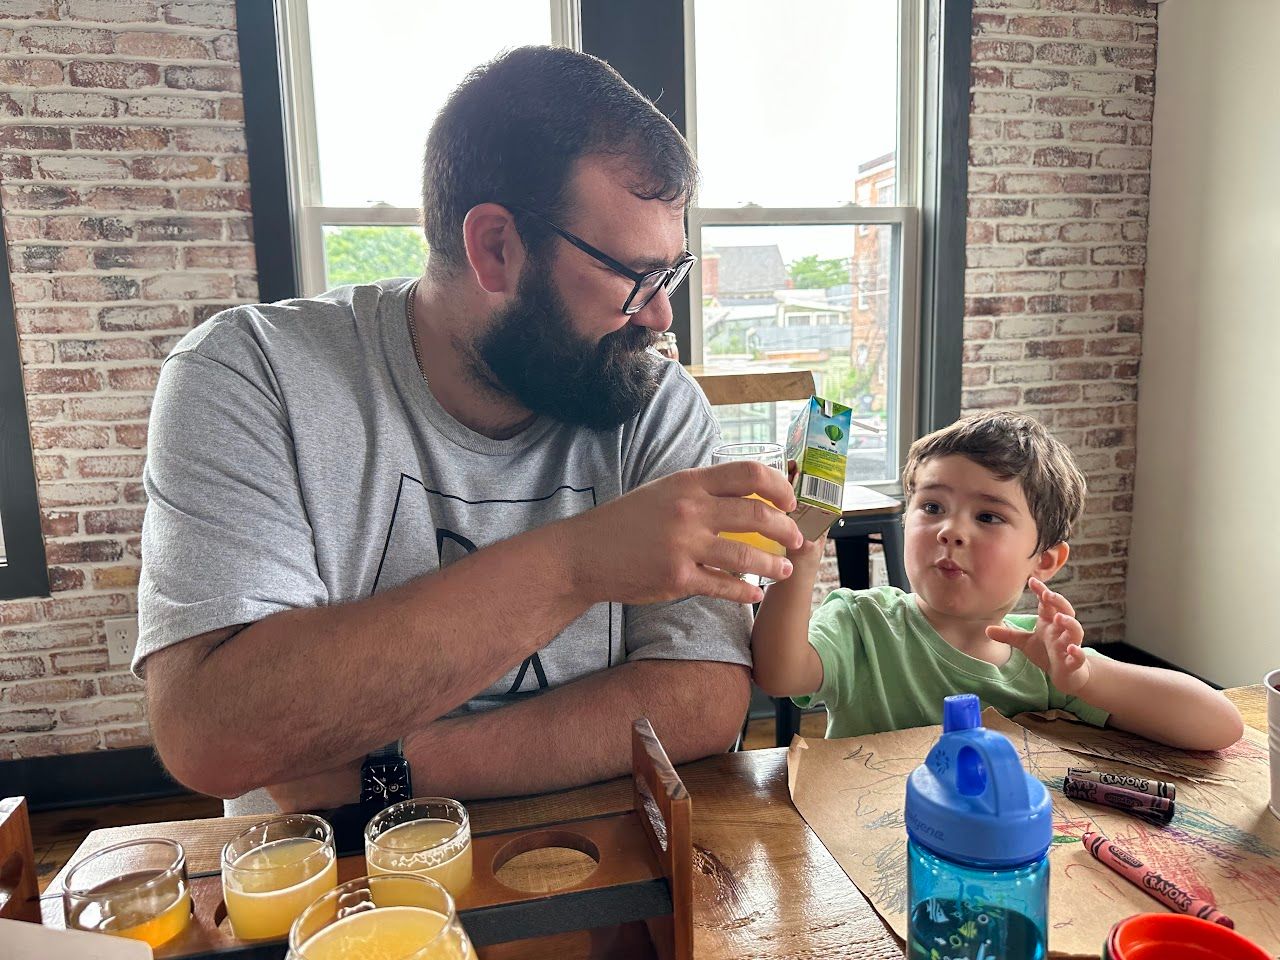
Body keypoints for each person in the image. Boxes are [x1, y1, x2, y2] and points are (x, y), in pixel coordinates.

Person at [137, 46, 804, 816]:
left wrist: (384, 772)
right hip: (331, 891)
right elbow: (212, 730)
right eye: (636, 277)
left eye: (672, 273)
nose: (660, 315)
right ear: (495, 248)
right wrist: (579, 564)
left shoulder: (652, 400)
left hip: (595, 877)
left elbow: (704, 697)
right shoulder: (253, 372)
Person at [751, 411, 1242, 750]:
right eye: (932, 506)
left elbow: (1219, 725)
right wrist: (800, 556)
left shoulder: (1042, 656)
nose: (950, 531)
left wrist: (1089, 680)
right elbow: (779, 673)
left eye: (988, 517)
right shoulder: (863, 623)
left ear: (1045, 560)